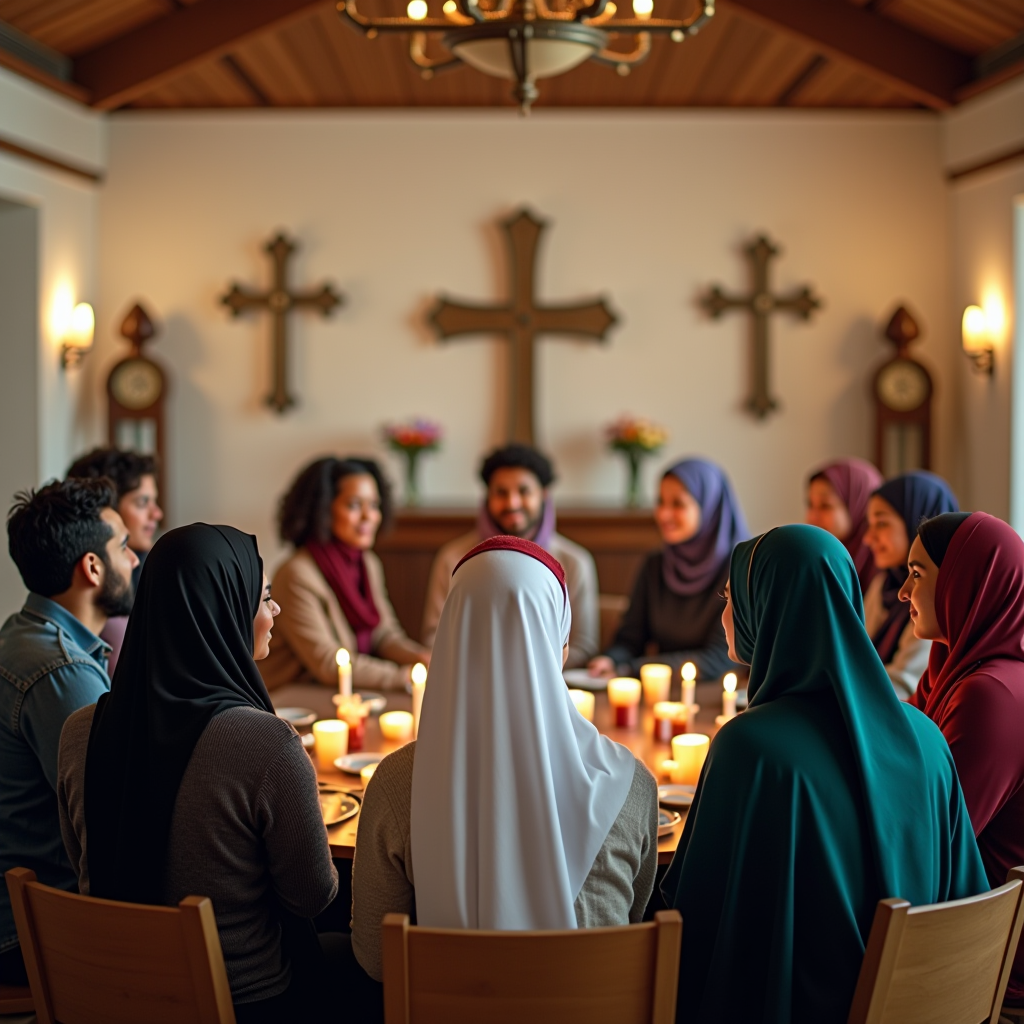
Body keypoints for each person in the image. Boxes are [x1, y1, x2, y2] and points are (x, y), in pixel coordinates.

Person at [661, 526, 988, 1024]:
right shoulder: (926, 735)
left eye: (733, 596)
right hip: (925, 1005)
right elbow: (968, 902)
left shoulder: (750, 747)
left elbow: (692, 915)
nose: (725, 614)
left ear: (767, 607)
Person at [58, 524, 340, 1023]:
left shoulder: (79, 731)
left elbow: (83, 857)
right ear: (224, 611)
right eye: (265, 598)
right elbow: (310, 896)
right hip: (242, 1000)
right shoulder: (266, 743)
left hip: (107, 993)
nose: (274, 613)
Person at [352, 536, 658, 990]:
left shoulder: (397, 783)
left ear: (450, 632)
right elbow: (634, 923)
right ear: (561, 641)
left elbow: (378, 960)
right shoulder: (631, 784)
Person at [0, 478, 137, 987]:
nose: (135, 560)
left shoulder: (26, 634)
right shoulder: (60, 671)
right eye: (123, 546)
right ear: (93, 567)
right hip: (29, 931)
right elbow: (111, 806)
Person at [901, 511, 1024, 1009]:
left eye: (917, 574)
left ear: (964, 581)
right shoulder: (948, 671)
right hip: (947, 912)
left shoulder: (989, 695)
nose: (903, 594)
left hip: (981, 952)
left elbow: (931, 840)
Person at [259, 457, 429, 719]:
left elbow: (382, 634)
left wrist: (420, 658)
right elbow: (328, 663)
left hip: (339, 692)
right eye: (354, 505)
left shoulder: (367, 563)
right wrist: (404, 676)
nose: (368, 516)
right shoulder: (297, 573)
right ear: (323, 511)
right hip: (294, 700)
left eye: (374, 505)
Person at [422, 444, 599, 668]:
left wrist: (532, 674)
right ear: (487, 498)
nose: (512, 503)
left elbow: (584, 645)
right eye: (501, 493)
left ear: (544, 495)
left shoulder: (574, 562)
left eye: (524, 491)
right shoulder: (453, 559)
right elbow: (433, 637)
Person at [589, 458, 747, 682]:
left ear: (709, 507)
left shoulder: (738, 570)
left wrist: (631, 668)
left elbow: (720, 658)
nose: (663, 514)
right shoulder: (655, 564)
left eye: (678, 504)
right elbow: (630, 637)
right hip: (659, 694)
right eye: (660, 502)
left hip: (718, 699)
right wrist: (611, 659)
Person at [66, 447, 164, 675]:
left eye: (154, 501)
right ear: (105, 510)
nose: (157, 513)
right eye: (142, 502)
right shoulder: (95, 590)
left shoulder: (151, 569)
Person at [862, 471, 958, 697]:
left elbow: (906, 685)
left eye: (882, 523)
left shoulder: (937, 597)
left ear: (917, 520)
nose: (868, 537)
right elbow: (857, 651)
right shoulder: (884, 585)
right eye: (870, 524)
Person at [805, 456, 882, 593]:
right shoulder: (815, 562)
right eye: (810, 505)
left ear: (859, 506)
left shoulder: (887, 578)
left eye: (825, 506)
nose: (812, 517)